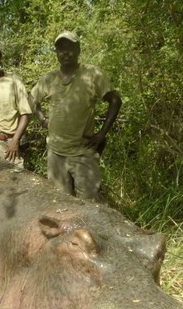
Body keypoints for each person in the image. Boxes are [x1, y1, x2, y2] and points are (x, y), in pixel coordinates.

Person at [29, 31, 122, 201]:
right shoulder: (48, 78)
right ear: (56, 52)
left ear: (78, 50)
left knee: (89, 205)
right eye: (60, 48)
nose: (65, 52)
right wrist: (42, 119)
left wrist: (102, 134)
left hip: (82, 153)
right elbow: (32, 98)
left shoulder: (92, 74)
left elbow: (115, 100)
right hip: (56, 154)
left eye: (70, 47)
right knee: (59, 203)